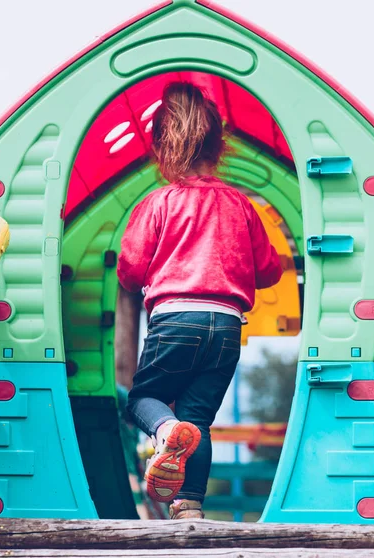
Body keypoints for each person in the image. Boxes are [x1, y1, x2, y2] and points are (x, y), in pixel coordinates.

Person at [117, 81, 282, 520]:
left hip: (175, 319)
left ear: (161, 149)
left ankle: (168, 432)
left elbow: (130, 271)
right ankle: (189, 508)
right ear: (219, 145)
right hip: (226, 325)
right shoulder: (241, 205)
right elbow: (268, 271)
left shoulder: (158, 203)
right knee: (199, 419)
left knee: (142, 401)